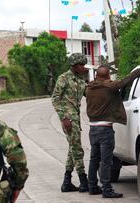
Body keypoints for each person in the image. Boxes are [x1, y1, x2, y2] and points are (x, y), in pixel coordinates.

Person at [85, 61, 140, 198]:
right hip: (105, 130)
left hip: (92, 129)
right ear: (108, 76)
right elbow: (128, 79)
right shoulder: (109, 87)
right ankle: (107, 189)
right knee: (106, 161)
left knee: (94, 159)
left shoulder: (89, 87)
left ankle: (92, 186)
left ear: (96, 75)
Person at [52, 53, 89, 193]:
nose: (83, 67)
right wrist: (63, 118)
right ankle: (84, 181)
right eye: (81, 65)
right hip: (69, 118)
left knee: (72, 149)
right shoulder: (64, 78)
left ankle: (66, 182)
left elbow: (88, 93)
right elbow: (55, 98)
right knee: (78, 149)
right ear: (74, 66)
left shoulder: (80, 80)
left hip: (76, 116)